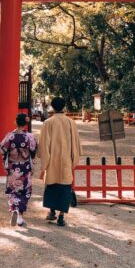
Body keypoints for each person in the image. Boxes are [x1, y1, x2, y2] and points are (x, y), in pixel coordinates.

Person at [38, 97, 82, 227]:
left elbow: (44, 145)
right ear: (63, 106)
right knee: (64, 188)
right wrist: (74, 159)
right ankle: (61, 217)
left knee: (51, 186)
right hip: (66, 160)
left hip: (52, 161)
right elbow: (76, 144)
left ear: (52, 106)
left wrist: (44, 165)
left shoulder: (48, 123)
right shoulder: (71, 122)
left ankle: (52, 212)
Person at [0, 113, 37, 227]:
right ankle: (19, 216)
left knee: (14, 189)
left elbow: (1, 148)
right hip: (25, 167)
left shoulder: (10, 136)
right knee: (25, 190)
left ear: (16, 122)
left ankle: (14, 209)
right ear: (26, 123)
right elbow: (34, 151)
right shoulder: (30, 137)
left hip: (13, 167)